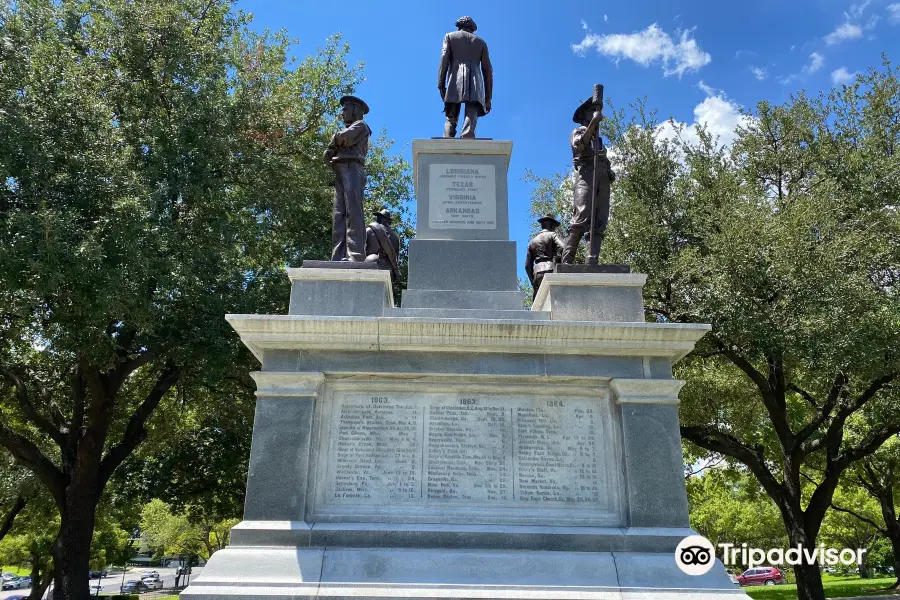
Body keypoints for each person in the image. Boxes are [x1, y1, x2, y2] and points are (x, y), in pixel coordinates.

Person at [560, 98, 616, 264]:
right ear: (585, 115)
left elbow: (603, 156)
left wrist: (608, 170)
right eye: (592, 111)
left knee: (600, 218)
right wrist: (593, 123)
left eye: (596, 110)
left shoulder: (598, 138)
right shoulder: (579, 131)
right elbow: (581, 145)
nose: (596, 113)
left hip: (602, 175)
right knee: (582, 213)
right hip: (587, 174)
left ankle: (592, 259)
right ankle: (567, 261)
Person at [324, 95, 372, 261]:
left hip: (353, 168)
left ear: (355, 110)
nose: (342, 112)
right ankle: (338, 256)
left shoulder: (361, 126)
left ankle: (355, 255)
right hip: (341, 170)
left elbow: (342, 138)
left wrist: (332, 145)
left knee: (353, 212)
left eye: (345, 109)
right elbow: (329, 154)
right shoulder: (354, 127)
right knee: (339, 214)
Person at [437, 16, 493, 138]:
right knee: (472, 112)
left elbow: (444, 60)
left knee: (451, 116)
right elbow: (488, 71)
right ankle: (468, 137)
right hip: (475, 82)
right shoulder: (481, 43)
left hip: (454, 80)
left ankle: (447, 139)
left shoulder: (450, 37)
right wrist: (488, 98)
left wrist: (441, 84)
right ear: (472, 28)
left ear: (459, 26)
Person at [525, 215, 565, 300]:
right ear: (551, 225)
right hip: (551, 269)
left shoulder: (532, 242)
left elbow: (527, 266)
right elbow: (563, 247)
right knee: (557, 299)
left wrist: (533, 281)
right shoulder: (552, 235)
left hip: (537, 274)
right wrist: (558, 258)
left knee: (539, 302)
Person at [364, 208, 401, 280]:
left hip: (370, 264)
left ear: (379, 218)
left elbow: (360, 251)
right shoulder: (395, 237)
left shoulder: (369, 230)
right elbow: (396, 259)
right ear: (389, 221)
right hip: (388, 270)